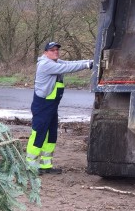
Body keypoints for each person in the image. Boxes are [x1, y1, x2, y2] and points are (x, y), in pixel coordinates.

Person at [27, 41, 93, 175]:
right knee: (38, 134)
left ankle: (46, 165)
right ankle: (31, 167)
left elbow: (69, 64)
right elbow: (67, 69)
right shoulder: (46, 65)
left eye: (57, 50)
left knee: (51, 135)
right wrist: (87, 65)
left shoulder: (56, 62)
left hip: (51, 107)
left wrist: (90, 61)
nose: (55, 52)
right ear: (45, 53)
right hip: (42, 106)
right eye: (52, 50)